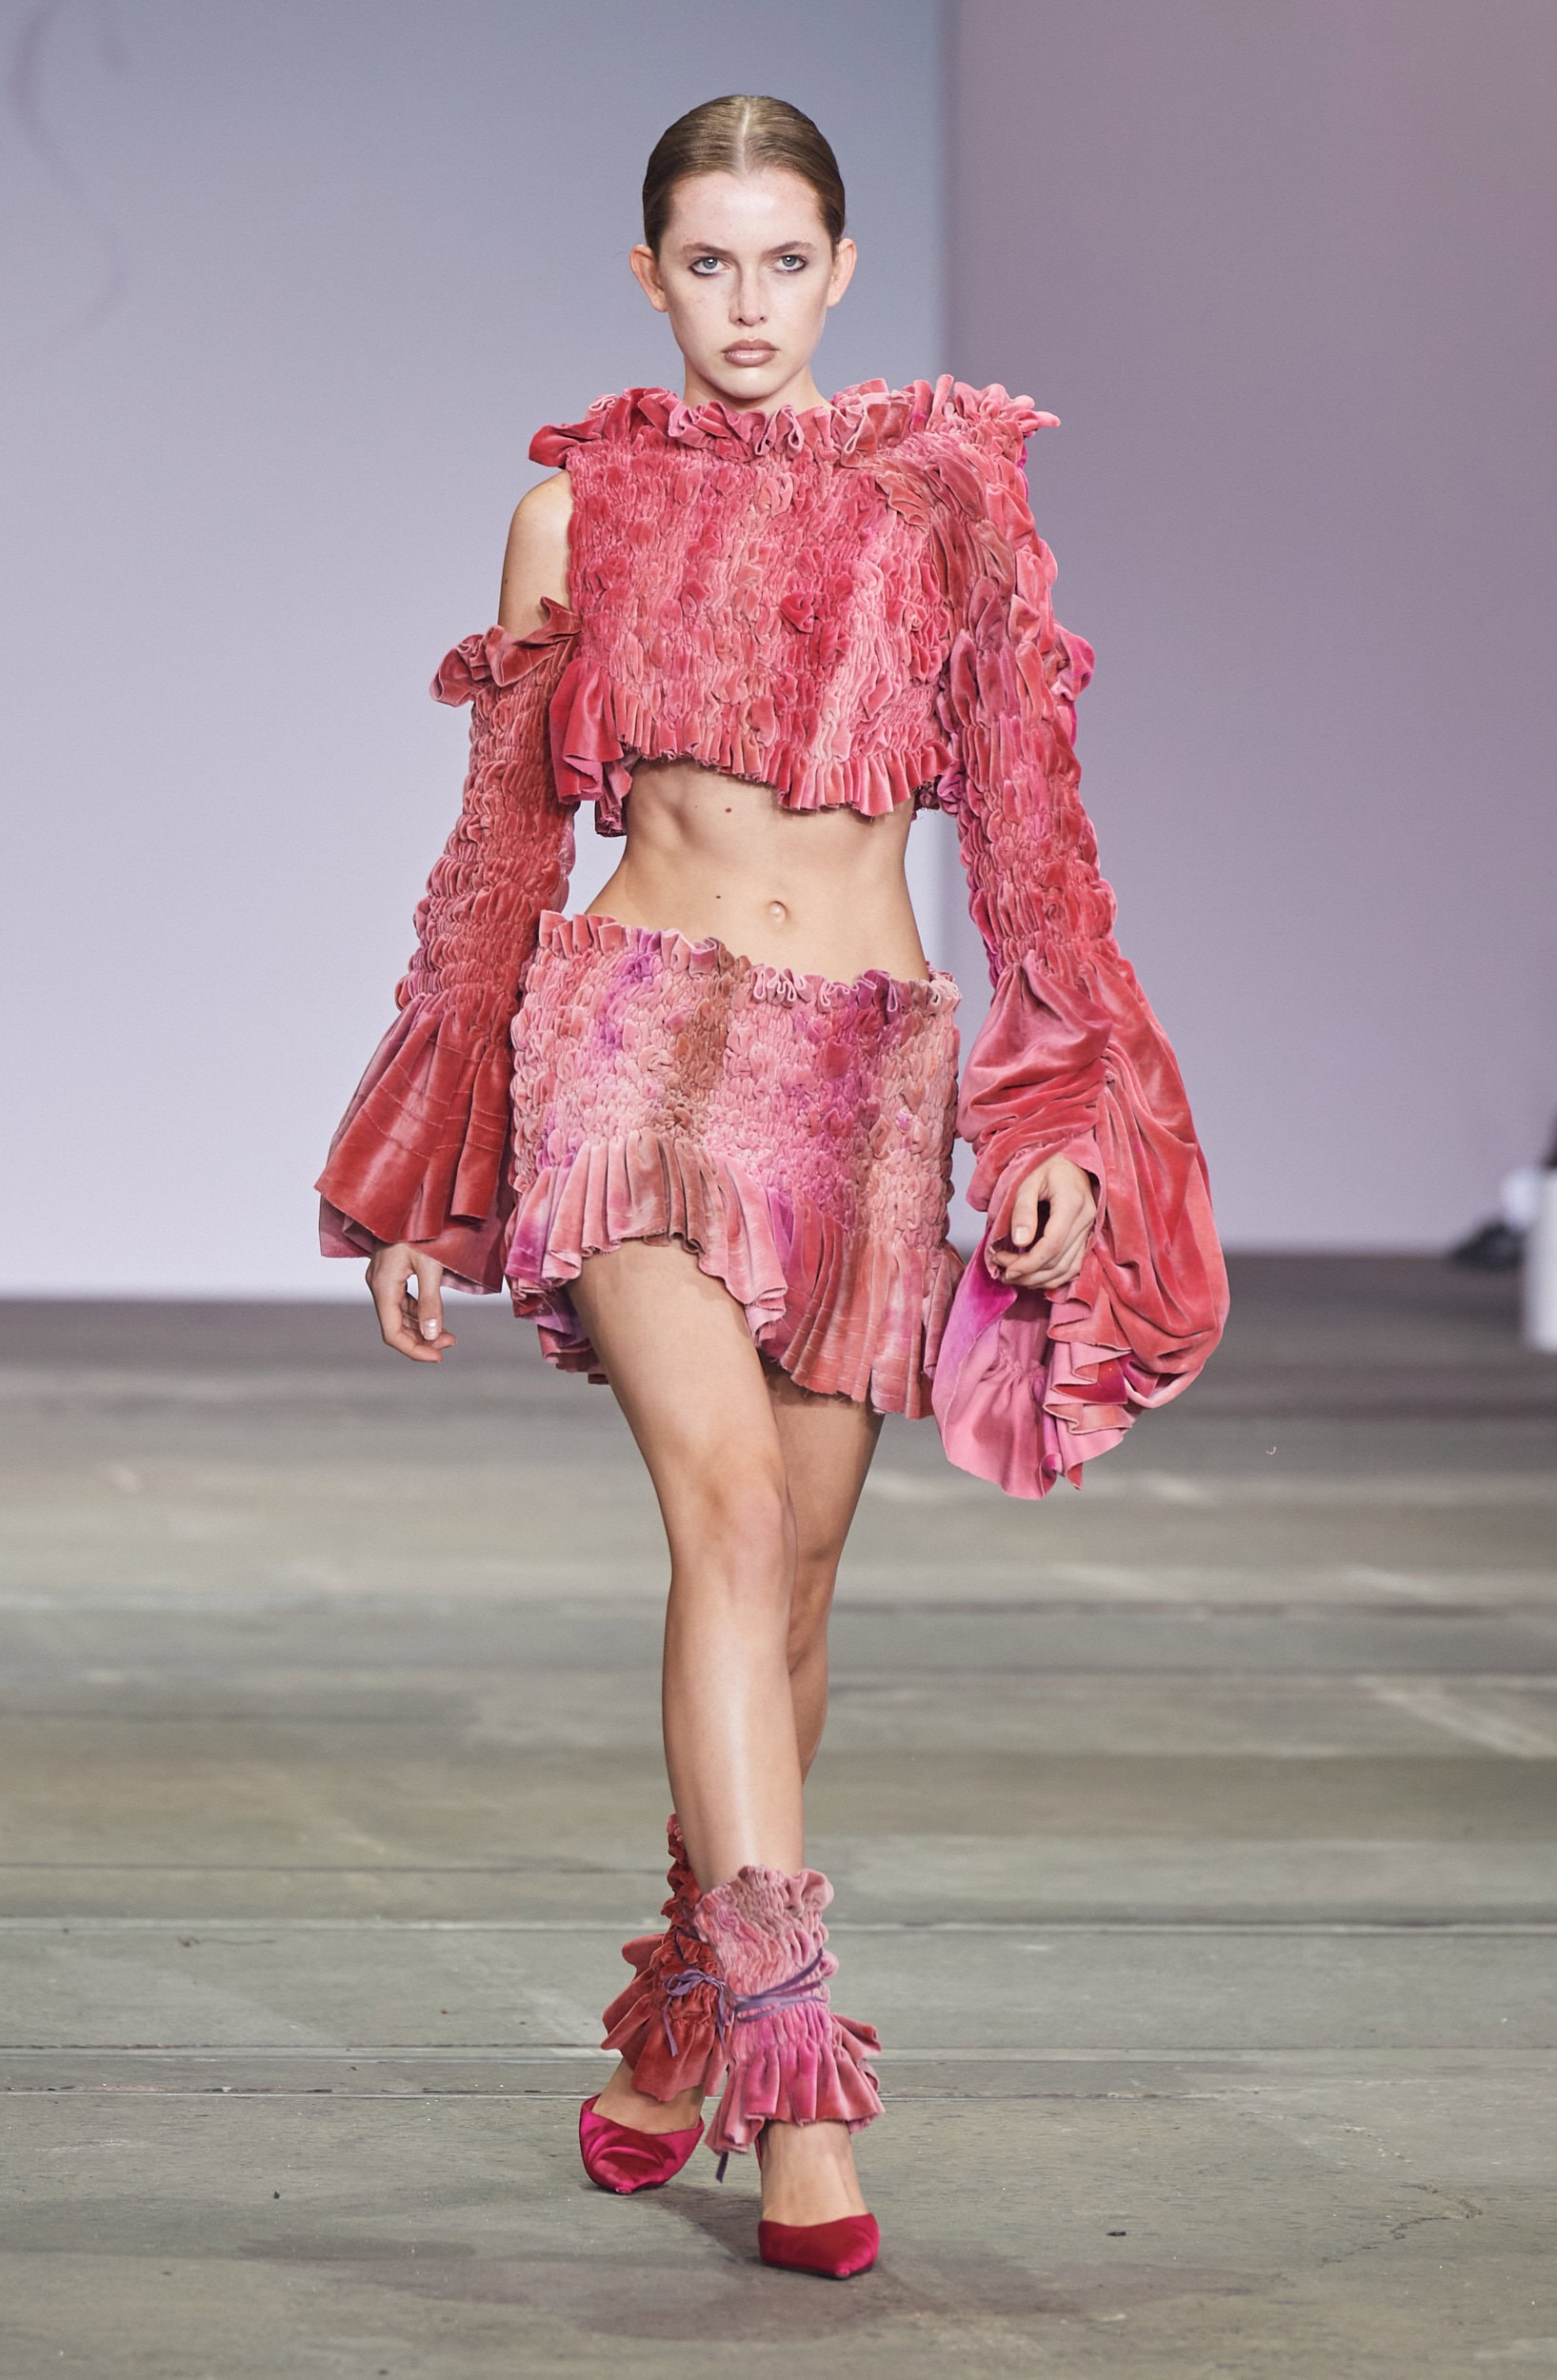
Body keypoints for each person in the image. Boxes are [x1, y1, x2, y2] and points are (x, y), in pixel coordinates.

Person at [317, 93, 1228, 2279]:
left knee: (797, 1591)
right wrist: (428, 1164)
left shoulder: (947, 500)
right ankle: (798, 2089)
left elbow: (1034, 836)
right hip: (632, 1040)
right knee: (725, 1518)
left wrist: (1056, 1118)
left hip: (869, 1079)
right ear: (651, 275)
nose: (746, 305)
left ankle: (674, 2024)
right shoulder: (576, 510)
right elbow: (500, 852)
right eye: (706, 265)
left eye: (783, 262)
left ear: (840, 270)